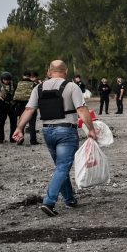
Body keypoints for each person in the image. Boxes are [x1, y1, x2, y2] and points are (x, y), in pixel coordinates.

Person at [13, 60, 98, 216]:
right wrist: (91, 129)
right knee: (62, 167)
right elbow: (81, 110)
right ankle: (49, 202)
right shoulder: (72, 86)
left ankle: (69, 199)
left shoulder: (38, 88)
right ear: (65, 72)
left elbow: (29, 110)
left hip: (47, 132)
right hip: (66, 131)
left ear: (48, 71)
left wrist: (19, 128)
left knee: (61, 167)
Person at [12, 70, 39, 145]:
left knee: (21, 122)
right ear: (30, 76)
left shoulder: (18, 83)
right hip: (30, 104)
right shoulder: (33, 84)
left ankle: (20, 140)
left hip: (20, 105)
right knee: (32, 123)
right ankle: (33, 140)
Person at [0, 71, 18, 143]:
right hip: (1, 106)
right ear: (2, 79)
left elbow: (17, 93)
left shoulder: (13, 85)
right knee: (1, 123)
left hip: (11, 106)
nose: (6, 81)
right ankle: (0, 138)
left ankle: (12, 138)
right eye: (5, 80)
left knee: (13, 123)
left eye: (8, 80)